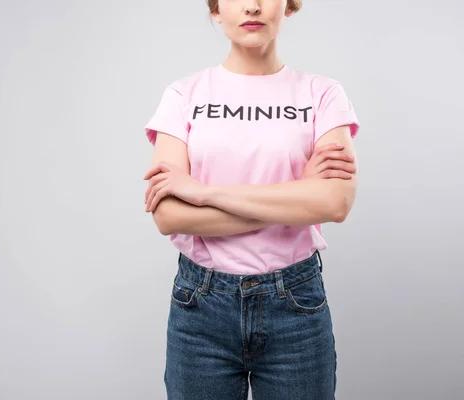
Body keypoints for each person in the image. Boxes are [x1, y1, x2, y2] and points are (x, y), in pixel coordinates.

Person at [142, 0, 360, 398]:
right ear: (216, 9)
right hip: (200, 307)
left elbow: (334, 204)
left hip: (294, 303)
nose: (253, 6)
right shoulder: (183, 94)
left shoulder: (323, 95)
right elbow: (169, 214)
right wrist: (296, 197)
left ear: (290, 7)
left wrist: (204, 193)